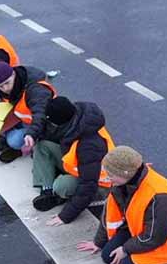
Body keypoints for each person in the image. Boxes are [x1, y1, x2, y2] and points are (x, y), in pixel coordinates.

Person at [32, 96, 114, 227]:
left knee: (61, 185)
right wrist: (32, 134)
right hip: (80, 167)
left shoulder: (89, 145)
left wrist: (65, 216)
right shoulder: (76, 118)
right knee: (43, 146)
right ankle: (47, 191)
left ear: (59, 123)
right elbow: (51, 136)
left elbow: (89, 185)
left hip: (100, 183)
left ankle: (58, 196)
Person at [0, 61, 55, 163]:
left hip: (42, 124)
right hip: (22, 118)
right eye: (1, 86)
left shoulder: (35, 90)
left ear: (13, 74)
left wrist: (31, 133)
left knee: (14, 141)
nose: (5, 89)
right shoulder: (10, 79)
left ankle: (22, 149)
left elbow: (41, 114)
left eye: (7, 83)